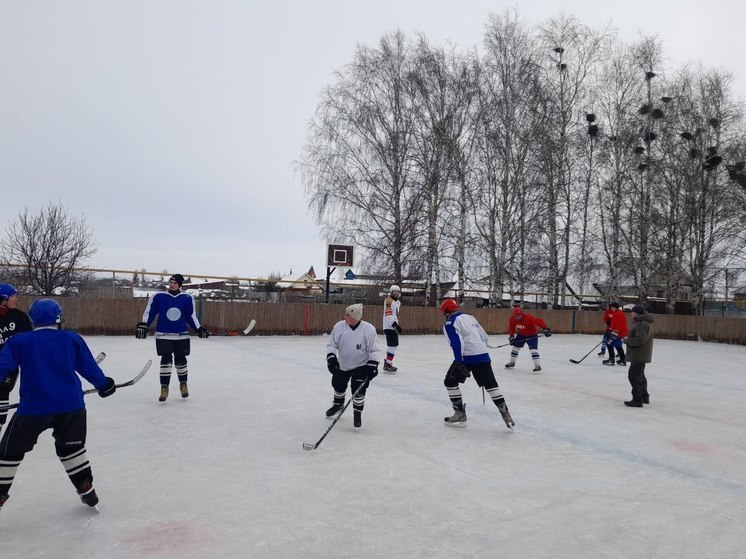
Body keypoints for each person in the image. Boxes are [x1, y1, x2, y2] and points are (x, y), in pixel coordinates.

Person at [0, 298, 116, 511]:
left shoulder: (19, 341)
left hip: (34, 409)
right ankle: (85, 487)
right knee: (72, 449)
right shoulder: (72, 338)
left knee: (8, 452)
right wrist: (104, 385)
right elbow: (89, 368)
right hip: (72, 407)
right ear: (58, 317)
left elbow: (2, 369)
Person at [440, 299, 514, 430]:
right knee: (491, 385)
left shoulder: (450, 323)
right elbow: (483, 335)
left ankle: (459, 413)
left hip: (467, 357)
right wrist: (484, 347)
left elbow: (457, 343)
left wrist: (458, 361)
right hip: (484, 355)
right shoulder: (470, 317)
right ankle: (505, 413)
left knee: (450, 382)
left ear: (446, 312)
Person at [135, 274, 210, 402]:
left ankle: (183, 385)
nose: (172, 284)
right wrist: (144, 325)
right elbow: (150, 312)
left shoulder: (187, 298)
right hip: (163, 335)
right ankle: (164, 388)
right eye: (171, 282)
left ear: (180, 285)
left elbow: (191, 316)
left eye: (175, 283)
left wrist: (198, 328)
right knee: (166, 360)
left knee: (181, 360)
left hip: (181, 335)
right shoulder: (158, 296)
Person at [325, 303, 380, 430]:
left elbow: (374, 349)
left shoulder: (368, 329)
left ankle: (357, 413)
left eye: (348, 315)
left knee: (359, 389)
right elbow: (331, 344)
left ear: (355, 317)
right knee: (338, 384)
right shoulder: (339, 326)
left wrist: (373, 364)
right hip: (343, 364)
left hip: (361, 365)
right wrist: (331, 358)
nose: (345, 317)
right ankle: (338, 404)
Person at [0, 284, 33, 430]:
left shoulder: (20, 317)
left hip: (9, 365)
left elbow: (30, 342)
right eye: (13, 296)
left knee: (2, 388)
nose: (16, 299)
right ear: (3, 299)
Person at [622, 304, 654, 407]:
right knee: (640, 376)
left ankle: (637, 399)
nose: (631, 313)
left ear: (637, 313)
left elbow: (639, 340)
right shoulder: (643, 323)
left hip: (639, 354)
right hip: (640, 354)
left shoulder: (642, 324)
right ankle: (644, 396)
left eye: (632, 311)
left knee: (634, 376)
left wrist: (627, 341)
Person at [504, 304, 551, 372]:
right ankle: (512, 363)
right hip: (521, 335)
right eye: (515, 316)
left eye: (518, 315)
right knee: (515, 348)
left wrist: (545, 329)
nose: (517, 317)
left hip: (532, 335)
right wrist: (511, 337)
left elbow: (539, 321)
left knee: (533, 350)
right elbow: (511, 328)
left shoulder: (528, 317)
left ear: (522, 314)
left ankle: (537, 366)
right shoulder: (512, 319)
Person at [382, 284, 402, 372]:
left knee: (393, 346)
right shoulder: (389, 300)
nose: (396, 293)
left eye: (398, 291)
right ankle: (388, 363)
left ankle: (387, 362)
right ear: (391, 292)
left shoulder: (397, 302)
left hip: (392, 326)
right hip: (389, 326)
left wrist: (396, 324)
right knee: (393, 346)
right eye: (395, 291)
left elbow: (394, 314)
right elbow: (388, 314)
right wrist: (394, 325)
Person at [602, 302, 628, 366]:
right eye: (611, 307)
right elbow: (614, 324)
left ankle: (611, 359)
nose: (612, 308)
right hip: (619, 333)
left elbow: (618, 325)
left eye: (613, 307)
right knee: (618, 346)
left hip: (617, 333)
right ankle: (623, 359)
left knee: (609, 344)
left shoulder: (618, 314)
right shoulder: (617, 313)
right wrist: (611, 329)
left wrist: (614, 333)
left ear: (616, 307)